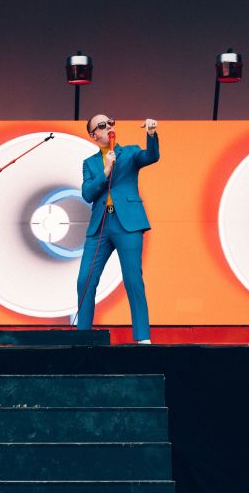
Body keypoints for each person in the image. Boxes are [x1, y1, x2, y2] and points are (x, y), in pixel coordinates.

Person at [75, 115, 160, 344]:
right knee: (85, 280)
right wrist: (105, 171)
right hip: (101, 225)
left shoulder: (130, 152)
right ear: (94, 135)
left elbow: (151, 156)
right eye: (102, 125)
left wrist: (151, 134)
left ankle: (142, 338)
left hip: (128, 224)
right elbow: (87, 194)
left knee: (133, 279)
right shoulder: (90, 163)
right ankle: (83, 337)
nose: (109, 127)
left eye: (110, 122)